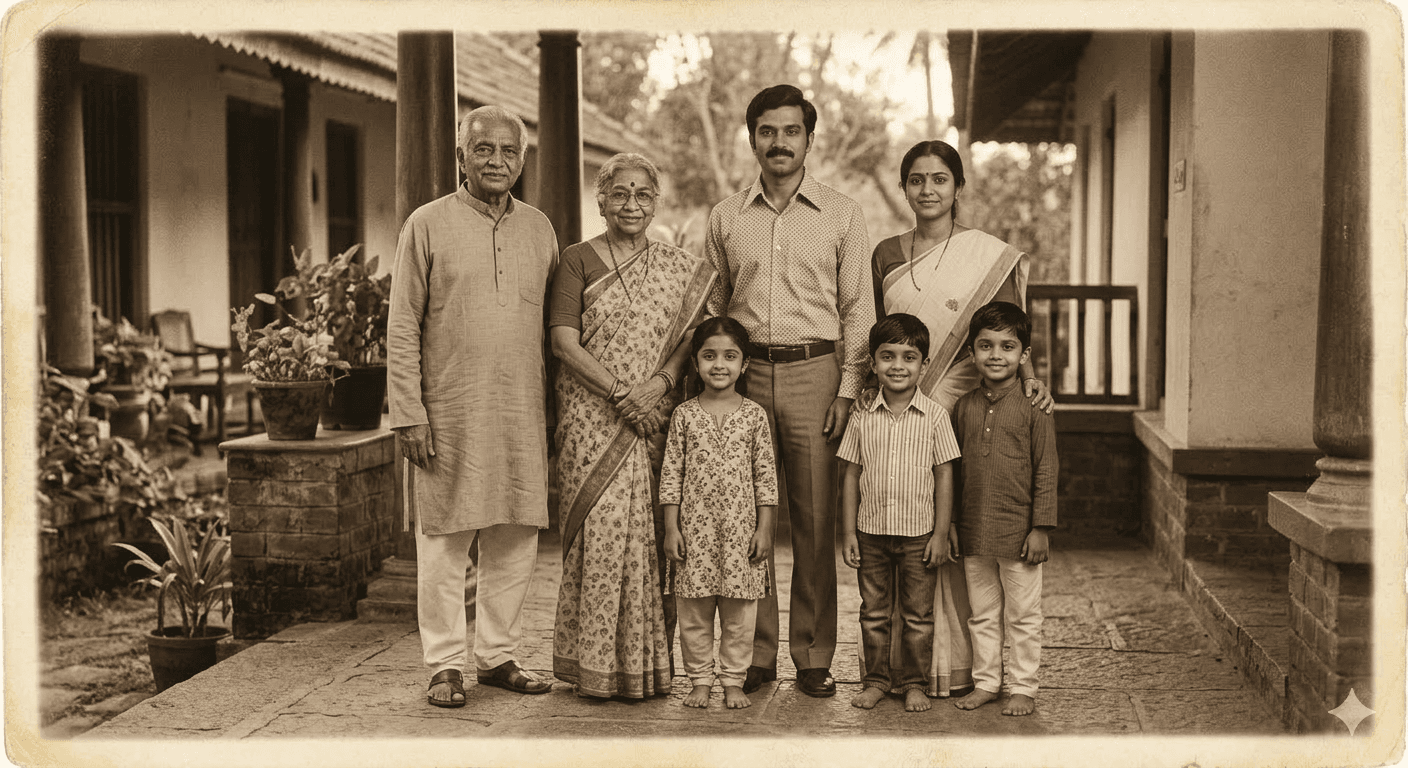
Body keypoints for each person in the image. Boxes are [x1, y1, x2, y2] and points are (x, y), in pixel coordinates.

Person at [705, 84, 874, 698]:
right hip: (744, 376)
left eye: (791, 131)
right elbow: (714, 307)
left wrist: (847, 390)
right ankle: (755, 653)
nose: (780, 142)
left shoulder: (841, 213)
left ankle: (812, 655)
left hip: (816, 374)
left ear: (809, 138)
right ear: (752, 138)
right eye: (768, 131)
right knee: (749, 514)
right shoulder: (726, 217)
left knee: (814, 520)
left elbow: (859, 309)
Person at [869, 139, 1055, 698]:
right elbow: (879, 335)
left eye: (939, 179)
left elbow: (1009, 327)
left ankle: (970, 671)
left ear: (958, 187)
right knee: (907, 528)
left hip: (962, 407)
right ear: (904, 188)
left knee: (952, 526)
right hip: (901, 415)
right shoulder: (884, 254)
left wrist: (1030, 381)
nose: (928, 190)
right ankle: (905, 669)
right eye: (917, 179)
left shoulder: (987, 255)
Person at [388, 105, 558, 708]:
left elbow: (556, 326)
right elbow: (402, 323)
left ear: (522, 161)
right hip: (448, 411)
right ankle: (444, 664)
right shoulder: (427, 224)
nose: (496, 161)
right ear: (461, 156)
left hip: (521, 409)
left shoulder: (539, 229)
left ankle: (497, 655)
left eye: (509, 151)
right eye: (483, 149)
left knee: (515, 535)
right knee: (444, 541)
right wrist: (409, 412)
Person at [549, 153, 716, 699]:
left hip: (653, 419)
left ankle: (645, 668)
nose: (631, 204)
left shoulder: (677, 267)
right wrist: (622, 393)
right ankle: (596, 668)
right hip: (591, 418)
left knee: (651, 542)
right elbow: (563, 342)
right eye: (619, 193)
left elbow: (690, 338)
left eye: (643, 194)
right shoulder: (577, 259)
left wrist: (660, 385)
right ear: (600, 200)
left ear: (656, 202)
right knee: (600, 540)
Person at [838, 314, 961, 713]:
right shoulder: (861, 415)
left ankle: (914, 684)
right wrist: (849, 532)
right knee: (873, 613)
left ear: (924, 365)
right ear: (873, 363)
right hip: (870, 532)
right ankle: (875, 681)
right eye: (887, 356)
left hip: (919, 535)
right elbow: (851, 474)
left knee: (917, 615)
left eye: (909, 357)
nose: (898, 365)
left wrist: (940, 533)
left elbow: (944, 475)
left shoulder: (936, 416)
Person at [659, 316, 778, 710]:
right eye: (709, 356)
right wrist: (671, 528)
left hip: (741, 536)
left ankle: (732, 680)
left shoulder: (755, 415)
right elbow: (672, 475)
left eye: (730, 356)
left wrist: (764, 529)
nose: (719, 364)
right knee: (694, 614)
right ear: (695, 362)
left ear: (745, 364)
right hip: (694, 536)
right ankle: (699, 680)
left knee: (740, 616)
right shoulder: (684, 415)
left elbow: (765, 478)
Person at [949, 301, 1058, 717]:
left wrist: (1041, 528)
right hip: (974, 530)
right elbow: (954, 471)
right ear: (971, 352)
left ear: (1024, 354)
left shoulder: (1036, 407)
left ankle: (1024, 687)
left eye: (1007, 347)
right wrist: (953, 523)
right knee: (982, 614)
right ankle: (987, 682)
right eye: (986, 346)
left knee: (1024, 615)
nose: (996, 355)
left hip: (1020, 533)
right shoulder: (964, 407)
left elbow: (1046, 468)